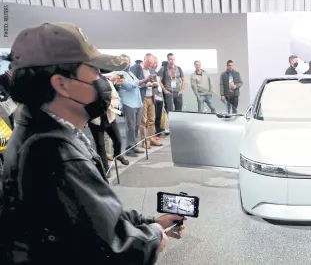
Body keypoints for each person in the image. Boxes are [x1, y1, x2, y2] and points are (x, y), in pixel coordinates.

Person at [0, 22, 185, 264]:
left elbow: (91, 214)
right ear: (62, 84)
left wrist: (148, 222)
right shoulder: (55, 153)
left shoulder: (37, 130)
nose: (103, 81)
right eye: (96, 71)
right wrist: (154, 236)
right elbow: (113, 249)